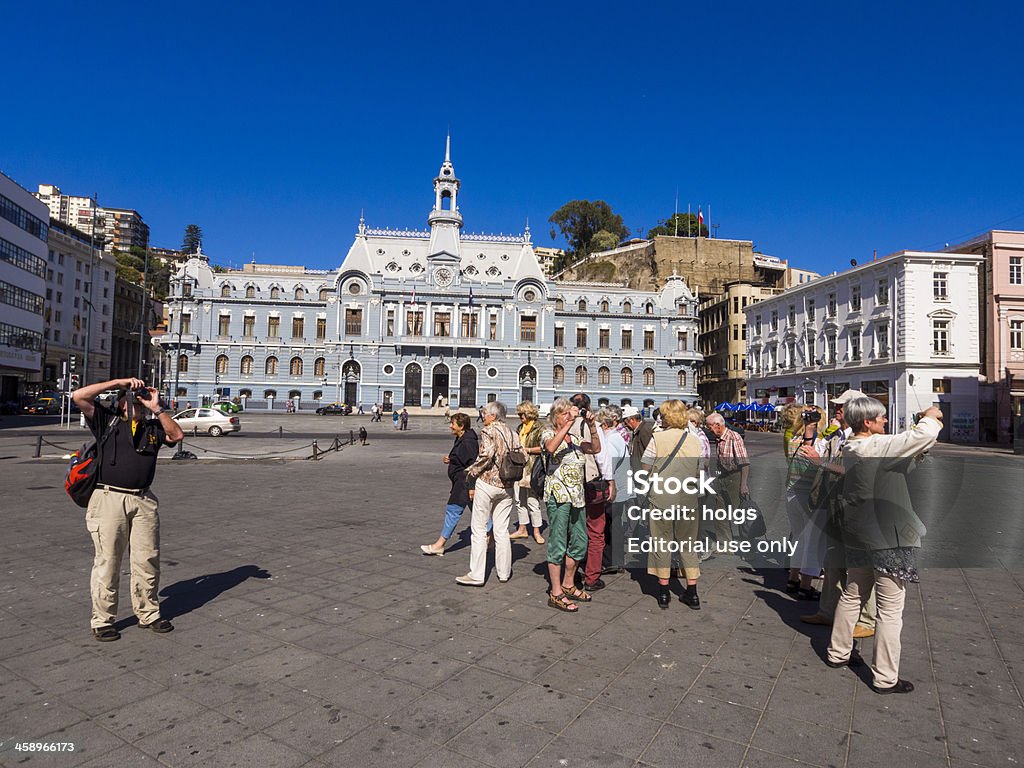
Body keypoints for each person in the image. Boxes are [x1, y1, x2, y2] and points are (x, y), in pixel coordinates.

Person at [826, 397, 942, 694]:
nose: (886, 422)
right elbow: (924, 435)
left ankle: (837, 653)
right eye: (882, 418)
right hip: (887, 537)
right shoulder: (875, 448)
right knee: (889, 610)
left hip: (859, 534)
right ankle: (885, 677)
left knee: (853, 593)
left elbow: (908, 454)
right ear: (867, 422)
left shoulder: (852, 446)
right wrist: (929, 416)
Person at [71, 377, 185, 642]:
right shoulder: (106, 421)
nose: (137, 403)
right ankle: (102, 619)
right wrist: (119, 382)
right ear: (121, 403)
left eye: (140, 400)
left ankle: (148, 613)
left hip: (143, 500)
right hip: (109, 498)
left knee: (147, 559)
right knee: (108, 560)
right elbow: (79, 396)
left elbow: (177, 435)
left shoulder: (153, 426)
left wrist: (156, 408)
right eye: (132, 400)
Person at [799, 390, 877, 639]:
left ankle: (867, 618)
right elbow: (816, 451)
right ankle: (828, 610)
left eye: (841, 407)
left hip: (853, 507)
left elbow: (852, 472)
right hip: (832, 503)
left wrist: (819, 463)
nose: (836, 411)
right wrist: (811, 430)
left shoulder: (864, 438)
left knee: (859, 566)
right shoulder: (836, 434)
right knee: (832, 562)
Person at [642, 400, 705, 609]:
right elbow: (699, 470)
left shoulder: (657, 439)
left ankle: (663, 592)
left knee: (662, 543)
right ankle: (693, 592)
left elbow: (645, 468)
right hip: (687, 498)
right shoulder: (695, 440)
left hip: (662, 498)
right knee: (688, 545)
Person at [541, 398, 601, 611]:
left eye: (570, 413)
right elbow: (550, 448)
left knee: (580, 542)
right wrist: (568, 423)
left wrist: (592, 426)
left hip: (577, 496)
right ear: (555, 416)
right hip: (558, 496)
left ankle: (568, 583)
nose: (569, 416)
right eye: (564, 413)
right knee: (558, 543)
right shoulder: (548, 433)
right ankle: (555, 592)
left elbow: (595, 448)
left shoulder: (575, 438)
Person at [456, 402, 519, 586]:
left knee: (478, 529)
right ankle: (504, 572)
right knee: (501, 530)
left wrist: (471, 471)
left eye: (485, 413)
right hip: (507, 486)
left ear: (493, 416)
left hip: (489, 483)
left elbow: (486, 455)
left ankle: (476, 574)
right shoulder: (513, 433)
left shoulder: (489, 431)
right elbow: (521, 453)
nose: (483, 416)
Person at [421, 413, 484, 556]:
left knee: (453, 510)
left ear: (461, 426)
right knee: (480, 512)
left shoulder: (467, 442)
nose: (450, 426)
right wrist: (451, 459)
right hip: (461, 482)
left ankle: (440, 544)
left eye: (453, 424)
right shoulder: (462, 438)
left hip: (464, 483)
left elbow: (473, 465)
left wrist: (472, 487)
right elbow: (463, 458)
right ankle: (493, 537)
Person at [783, 404, 829, 600]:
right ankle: (805, 585)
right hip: (810, 496)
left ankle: (793, 578)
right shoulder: (818, 445)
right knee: (814, 542)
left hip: (791, 493)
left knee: (798, 538)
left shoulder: (793, 440)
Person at [579, 405, 618, 591]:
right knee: (596, 531)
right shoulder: (592, 426)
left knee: (573, 529)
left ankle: (568, 574)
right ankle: (591, 577)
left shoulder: (559, 425)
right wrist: (609, 481)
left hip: (569, 485)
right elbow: (602, 457)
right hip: (592, 484)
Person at [705, 413, 748, 551]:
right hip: (722, 476)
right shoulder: (718, 438)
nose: (708, 429)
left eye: (709, 426)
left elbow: (744, 463)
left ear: (718, 425)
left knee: (739, 513)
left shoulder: (734, 437)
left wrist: (743, 484)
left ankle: (748, 546)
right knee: (720, 511)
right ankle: (725, 544)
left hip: (735, 477)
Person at [510, 401, 545, 544]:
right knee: (519, 499)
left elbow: (545, 447)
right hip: (519, 467)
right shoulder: (520, 428)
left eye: (521, 414)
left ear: (529, 413)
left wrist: (528, 450)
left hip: (532, 467)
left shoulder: (539, 428)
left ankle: (537, 531)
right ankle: (522, 528)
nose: (520, 417)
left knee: (532, 500)